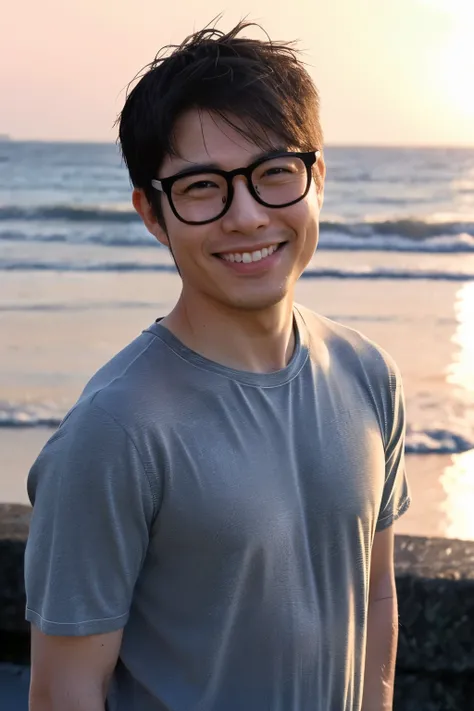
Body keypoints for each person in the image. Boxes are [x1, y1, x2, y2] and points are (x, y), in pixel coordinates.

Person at [24, 21, 410, 711]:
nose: (247, 215)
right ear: (152, 212)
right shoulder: (115, 431)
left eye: (274, 174)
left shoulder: (368, 374)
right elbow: (63, 690)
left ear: (316, 179)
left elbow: (376, 596)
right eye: (203, 186)